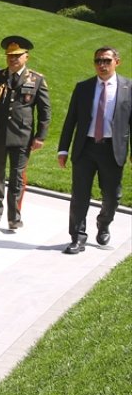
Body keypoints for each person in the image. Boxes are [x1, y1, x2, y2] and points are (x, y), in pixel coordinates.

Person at [57, 46, 131, 253]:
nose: (102, 65)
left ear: (117, 61)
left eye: (107, 60)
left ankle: (104, 222)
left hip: (112, 149)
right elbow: (70, 120)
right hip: (85, 148)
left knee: (112, 196)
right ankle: (77, 237)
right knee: (79, 195)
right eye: (98, 61)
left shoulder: (128, 87)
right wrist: (63, 149)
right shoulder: (83, 87)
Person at [0, 36, 51, 229]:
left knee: (17, 177)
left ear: (26, 57)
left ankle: (14, 216)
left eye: (17, 56)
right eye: (10, 56)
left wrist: (41, 135)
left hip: (22, 136)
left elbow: (45, 110)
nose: (13, 59)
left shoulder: (36, 79)